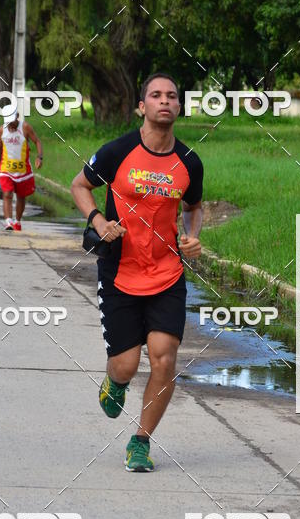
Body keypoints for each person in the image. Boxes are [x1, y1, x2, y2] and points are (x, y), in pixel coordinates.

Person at [70, 73, 203, 472]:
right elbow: (79, 185)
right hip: (120, 272)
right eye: (156, 95)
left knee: (164, 360)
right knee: (126, 365)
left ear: (178, 108)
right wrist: (97, 221)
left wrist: (192, 237)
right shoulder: (117, 152)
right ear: (142, 107)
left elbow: (194, 207)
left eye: (172, 96)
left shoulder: (189, 162)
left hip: (166, 274)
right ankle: (117, 381)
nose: (165, 101)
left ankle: (141, 441)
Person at [0, 105, 43, 230]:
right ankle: (8, 222)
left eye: (12, 120)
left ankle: (17, 221)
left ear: (17, 116)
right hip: (6, 168)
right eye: (8, 121)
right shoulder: (1, 130)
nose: (10, 124)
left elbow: (37, 141)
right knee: (7, 194)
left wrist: (39, 157)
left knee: (21, 196)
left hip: (23, 170)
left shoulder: (25, 127)